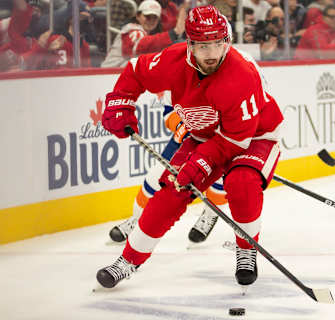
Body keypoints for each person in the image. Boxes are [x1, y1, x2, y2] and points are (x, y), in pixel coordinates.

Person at [97, 5, 283, 290]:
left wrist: (202, 163)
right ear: (190, 44)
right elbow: (135, 71)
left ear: (227, 41)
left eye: (217, 44)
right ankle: (128, 260)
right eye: (203, 45)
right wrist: (122, 100)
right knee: (171, 191)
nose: (211, 53)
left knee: (241, 180)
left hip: (255, 135)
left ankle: (246, 249)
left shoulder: (242, 75)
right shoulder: (173, 60)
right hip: (204, 135)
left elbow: (235, 141)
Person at [108, 91, 229, 245]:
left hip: (222, 143)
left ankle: (210, 214)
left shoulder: (241, 73)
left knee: (220, 183)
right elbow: (169, 110)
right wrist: (181, 127)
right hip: (186, 141)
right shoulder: (180, 73)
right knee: (153, 180)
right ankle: (137, 220)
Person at [101, 0, 186, 67]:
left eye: (154, 18)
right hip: (107, 74)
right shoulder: (131, 30)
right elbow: (141, 46)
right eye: (147, 17)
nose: (151, 21)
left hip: (120, 75)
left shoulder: (145, 33)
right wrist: (173, 33)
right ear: (138, 16)